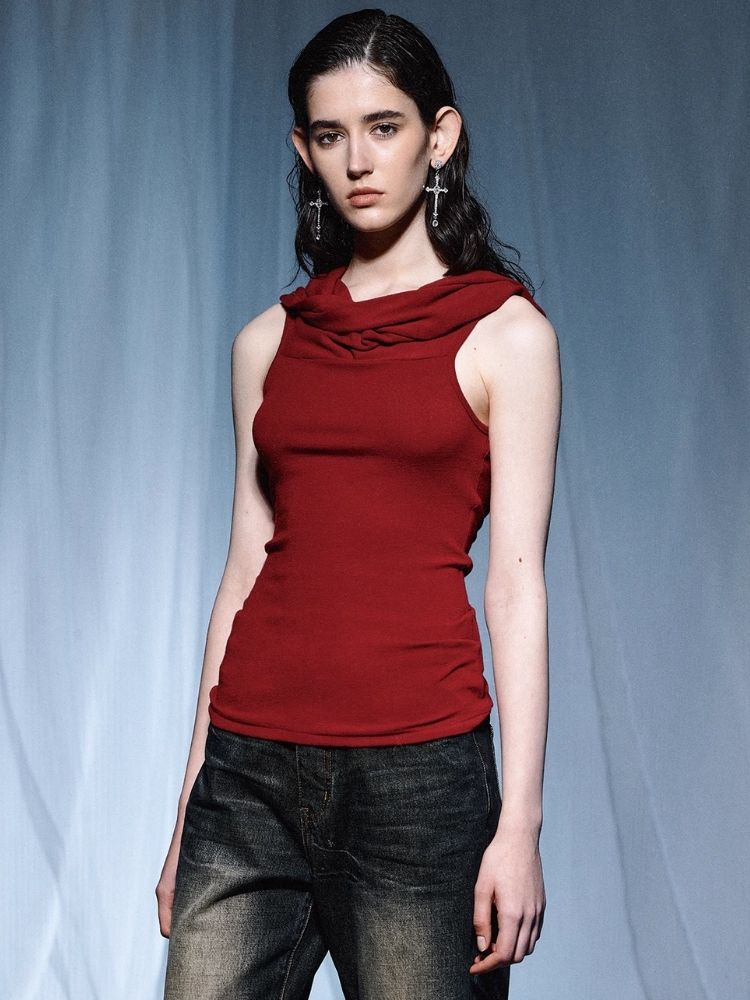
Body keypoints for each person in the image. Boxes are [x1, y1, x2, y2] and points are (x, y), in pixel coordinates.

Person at [156, 9, 561, 999]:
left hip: (418, 780)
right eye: (331, 135)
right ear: (304, 150)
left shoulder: (507, 336)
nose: (358, 160)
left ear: (440, 136)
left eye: (384, 126)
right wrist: (189, 806)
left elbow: (516, 584)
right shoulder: (266, 343)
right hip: (247, 775)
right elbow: (243, 570)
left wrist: (519, 824)